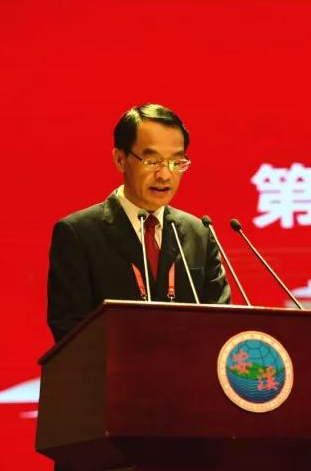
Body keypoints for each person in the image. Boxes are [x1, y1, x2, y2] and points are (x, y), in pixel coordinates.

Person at [47, 103, 231, 342]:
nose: (165, 175)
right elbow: (69, 333)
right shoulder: (78, 234)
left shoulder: (199, 233)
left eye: (176, 162)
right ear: (120, 159)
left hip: (188, 365)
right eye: (152, 161)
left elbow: (221, 323)